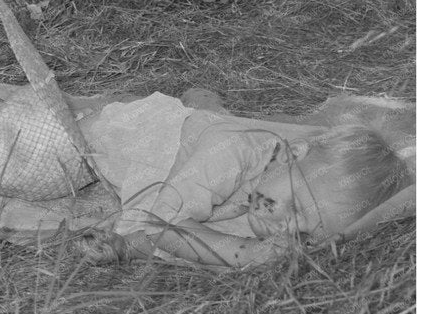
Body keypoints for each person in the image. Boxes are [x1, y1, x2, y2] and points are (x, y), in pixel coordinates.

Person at [71, 91, 411, 266]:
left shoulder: (273, 193)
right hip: (137, 140)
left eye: (304, 233)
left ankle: (126, 245)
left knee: (212, 232)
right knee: (68, 142)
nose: (284, 227)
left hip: (203, 193)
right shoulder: (232, 152)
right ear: (295, 155)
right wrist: (244, 254)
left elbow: (192, 236)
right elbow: (163, 223)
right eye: (295, 208)